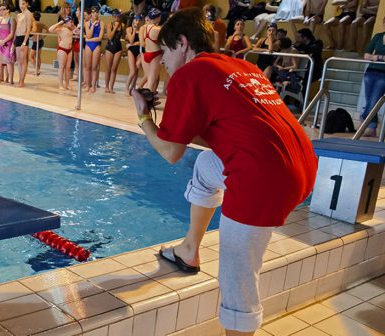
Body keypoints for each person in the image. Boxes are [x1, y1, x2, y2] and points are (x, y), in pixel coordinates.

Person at [130, 7, 316, 335]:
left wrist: (144, 118)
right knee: (206, 166)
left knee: (236, 278)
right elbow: (226, 129)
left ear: (183, 43)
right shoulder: (239, 66)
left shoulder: (189, 75)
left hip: (262, 178)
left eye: (166, 52)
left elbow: (171, 152)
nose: (163, 62)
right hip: (300, 164)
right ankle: (189, 250)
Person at [360, 15, 385, 137]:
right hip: (371, 71)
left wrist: (375, 57)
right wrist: (380, 57)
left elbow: (371, 55)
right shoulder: (378, 37)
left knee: (374, 101)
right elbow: (366, 55)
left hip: (383, 74)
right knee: (369, 100)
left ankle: (365, 121)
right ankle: (371, 127)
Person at [137, 8, 163, 92]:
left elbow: (142, 43)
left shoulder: (144, 27)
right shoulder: (158, 29)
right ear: (158, 17)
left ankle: (142, 94)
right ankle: (146, 101)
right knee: (151, 82)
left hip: (147, 54)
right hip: (155, 55)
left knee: (149, 79)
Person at [50, 16, 76, 90]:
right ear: (66, 22)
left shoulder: (71, 29)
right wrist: (60, 22)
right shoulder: (61, 29)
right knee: (61, 68)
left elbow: (78, 31)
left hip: (70, 50)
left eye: (72, 22)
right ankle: (60, 85)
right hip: (62, 49)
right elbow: (50, 29)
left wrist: (73, 25)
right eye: (70, 22)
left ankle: (67, 84)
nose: (72, 23)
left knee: (68, 68)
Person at [0, 4, 16, 84]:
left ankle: (11, 80)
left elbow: (12, 33)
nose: (1, 11)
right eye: (0, 10)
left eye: (3, 9)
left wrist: (4, 41)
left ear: (7, 10)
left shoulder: (11, 20)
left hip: (8, 43)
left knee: (9, 62)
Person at [83, 7, 104, 93]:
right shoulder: (86, 23)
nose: (95, 14)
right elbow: (88, 35)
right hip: (88, 46)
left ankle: (93, 86)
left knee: (94, 67)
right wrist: (92, 25)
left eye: (97, 12)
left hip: (96, 45)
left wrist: (89, 40)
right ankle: (88, 85)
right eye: (93, 12)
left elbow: (100, 38)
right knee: (88, 67)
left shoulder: (101, 23)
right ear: (91, 13)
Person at [103, 9, 124, 93]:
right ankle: (106, 86)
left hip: (118, 48)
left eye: (117, 16)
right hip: (109, 48)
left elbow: (123, 36)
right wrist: (115, 27)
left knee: (114, 69)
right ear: (112, 17)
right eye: (115, 16)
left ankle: (111, 87)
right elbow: (110, 37)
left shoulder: (123, 25)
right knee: (108, 68)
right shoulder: (109, 25)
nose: (116, 18)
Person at [14, 0, 34, 87]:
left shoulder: (28, 14)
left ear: (27, 4)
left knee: (23, 61)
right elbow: (16, 29)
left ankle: (22, 81)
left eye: (23, 4)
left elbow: (28, 29)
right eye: (20, 4)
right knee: (18, 61)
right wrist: (14, 42)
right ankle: (20, 79)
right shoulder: (19, 15)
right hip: (18, 37)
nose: (21, 6)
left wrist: (25, 42)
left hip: (23, 38)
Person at [123, 14, 142, 95]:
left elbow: (141, 42)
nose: (137, 22)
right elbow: (131, 40)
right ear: (133, 20)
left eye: (139, 20)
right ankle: (126, 88)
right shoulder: (129, 29)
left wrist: (134, 44)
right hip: (131, 51)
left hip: (138, 50)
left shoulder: (141, 29)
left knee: (136, 71)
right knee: (132, 71)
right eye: (136, 20)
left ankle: (132, 88)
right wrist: (134, 30)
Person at [28, 12, 47, 76]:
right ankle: (38, 70)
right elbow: (48, 30)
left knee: (30, 57)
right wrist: (43, 36)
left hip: (36, 42)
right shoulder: (41, 24)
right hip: (40, 41)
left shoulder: (33, 24)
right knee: (38, 56)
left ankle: (37, 69)